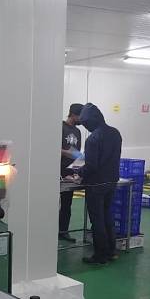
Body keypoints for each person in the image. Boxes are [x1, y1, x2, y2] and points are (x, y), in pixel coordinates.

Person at [77, 103, 122, 264]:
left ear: (90, 121)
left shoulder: (93, 138)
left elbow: (91, 166)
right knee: (107, 216)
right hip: (112, 181)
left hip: (96, 185)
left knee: (97, 220)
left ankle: (100, 256)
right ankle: (111, 252)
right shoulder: (115, 133)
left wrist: (78, 172)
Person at [59, 103, 84, 242]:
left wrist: (77, 171)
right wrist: (66, 152)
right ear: (73, 114)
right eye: (80, 116)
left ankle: (63, 231)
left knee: (66, 204)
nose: (82, 119)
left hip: (70, 173)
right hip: (57, 172)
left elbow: (77, 153)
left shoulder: (78, 132)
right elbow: (50, 148)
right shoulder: (60, 128)